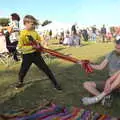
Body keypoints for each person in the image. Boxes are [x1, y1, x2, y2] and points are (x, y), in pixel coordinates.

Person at [16, 15, 62, 90]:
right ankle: (20, 82)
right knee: (23, 71)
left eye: (34, 24)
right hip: (27, 56)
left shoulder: (34, 32)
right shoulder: (22, 34)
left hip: (36, 54)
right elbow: (20, 47)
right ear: (26, 23)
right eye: (32, 24)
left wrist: (38, 44)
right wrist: (32, 47)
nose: (33, 25)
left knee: (46, 69)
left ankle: (55, 84)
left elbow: (39, 40)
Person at [81, 37, 120, 107]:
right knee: (86, 84)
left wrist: (109, 81)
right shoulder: (112, 54)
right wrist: (88, 65)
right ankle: (104, 98)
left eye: (118, 48)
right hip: (110, 82)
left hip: (117, 82)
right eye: (115, 47)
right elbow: (100, 67)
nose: (116, 50)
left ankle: (98, 97)